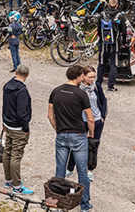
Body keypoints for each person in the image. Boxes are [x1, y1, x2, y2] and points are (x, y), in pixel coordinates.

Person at [48, 64, 94, 212]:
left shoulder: (55, 91)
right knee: (82, 172)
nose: (83, 78)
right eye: (82, 76)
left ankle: (58, 202)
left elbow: (50, 115)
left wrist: (59, 130)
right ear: (78, 76)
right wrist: (91, 134)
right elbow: (90, 118)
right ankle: (85, 206)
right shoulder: (81, 94)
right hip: (78, 136)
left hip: (62, 135)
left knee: (59, 172)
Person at [66, 65, 107, 182]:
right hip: (82, 121)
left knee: (93, 145)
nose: (92, 80)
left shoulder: (97, 87)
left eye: (94, 77)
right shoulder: (78, 88)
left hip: (97, 120)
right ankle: (69, 168)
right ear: (83, 77)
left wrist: (103, 116)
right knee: (76, 144)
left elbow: (103, 101)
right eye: (90, 77)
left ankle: (90, 169)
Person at [2, 64, 33, 195]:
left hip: (8, 124)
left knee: (7, 152)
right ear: (28, 75)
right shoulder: (22, 91)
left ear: (15, 72)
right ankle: (17, 185)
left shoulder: (7, 86)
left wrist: (3, 122)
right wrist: (25, 127)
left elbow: (4, 105)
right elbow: (22, 113)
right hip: (18, 128)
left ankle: (8, 180)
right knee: (16, 156)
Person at [97, 0, 127, 92]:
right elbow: (124, 31)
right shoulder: (120, 16)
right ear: (117, 5)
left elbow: (98, 28)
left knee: (101, 63)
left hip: (104, 43)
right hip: (115, 44)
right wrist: (124, 42)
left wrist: (101, 39)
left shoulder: (102, 15)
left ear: (108, 5)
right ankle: (110, 86)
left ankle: (98, 84)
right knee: (114, 64)